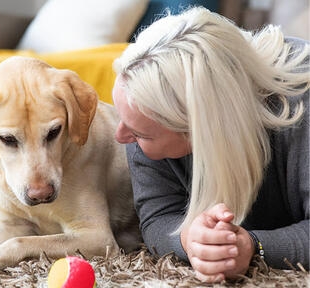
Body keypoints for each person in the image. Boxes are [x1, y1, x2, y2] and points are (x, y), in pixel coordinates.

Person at [112, 7, 309, 283]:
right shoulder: (140, 111)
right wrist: (190, 238)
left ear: (198, 133)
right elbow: (157, 218)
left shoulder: (304, 102)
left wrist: (254, 246)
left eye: (140, 134)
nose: (120, 135)